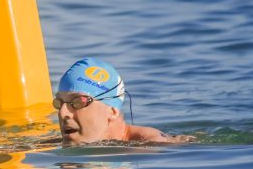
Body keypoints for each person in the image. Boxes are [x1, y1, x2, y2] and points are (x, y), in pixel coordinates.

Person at [54, 58, 191, 145]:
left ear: (112, 111)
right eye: (59, 103)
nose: (63, 112)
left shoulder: (153, 145)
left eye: (78, 102)